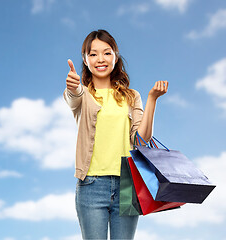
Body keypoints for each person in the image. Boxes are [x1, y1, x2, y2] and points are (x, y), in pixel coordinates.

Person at [63, 29, 168, 240]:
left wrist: (152, 100)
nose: (100, 59)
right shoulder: (83, 95)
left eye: (106, 52)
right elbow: (73, 96)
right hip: (91, 185)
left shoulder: (131, 97)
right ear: (85, 59)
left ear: (115, 56)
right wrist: (74, 88)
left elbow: (141, 140)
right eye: (93, 54)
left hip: (127, 185)